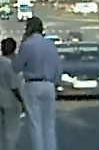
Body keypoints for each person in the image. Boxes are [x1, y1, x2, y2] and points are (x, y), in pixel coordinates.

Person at [12, 16, 61, 150]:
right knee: (49, 125)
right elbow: (58, 68)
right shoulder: (50, 44)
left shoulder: (27, 45)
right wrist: (55, 83)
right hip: (49, 84)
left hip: (33, 84)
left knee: (35, 124)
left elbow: (16, 67)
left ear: (29, 28)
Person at [0, 37, 26, 150]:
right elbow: (14, 86)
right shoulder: (11, 65)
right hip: (10, 102)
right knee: (11, 131)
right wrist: (22, 102)